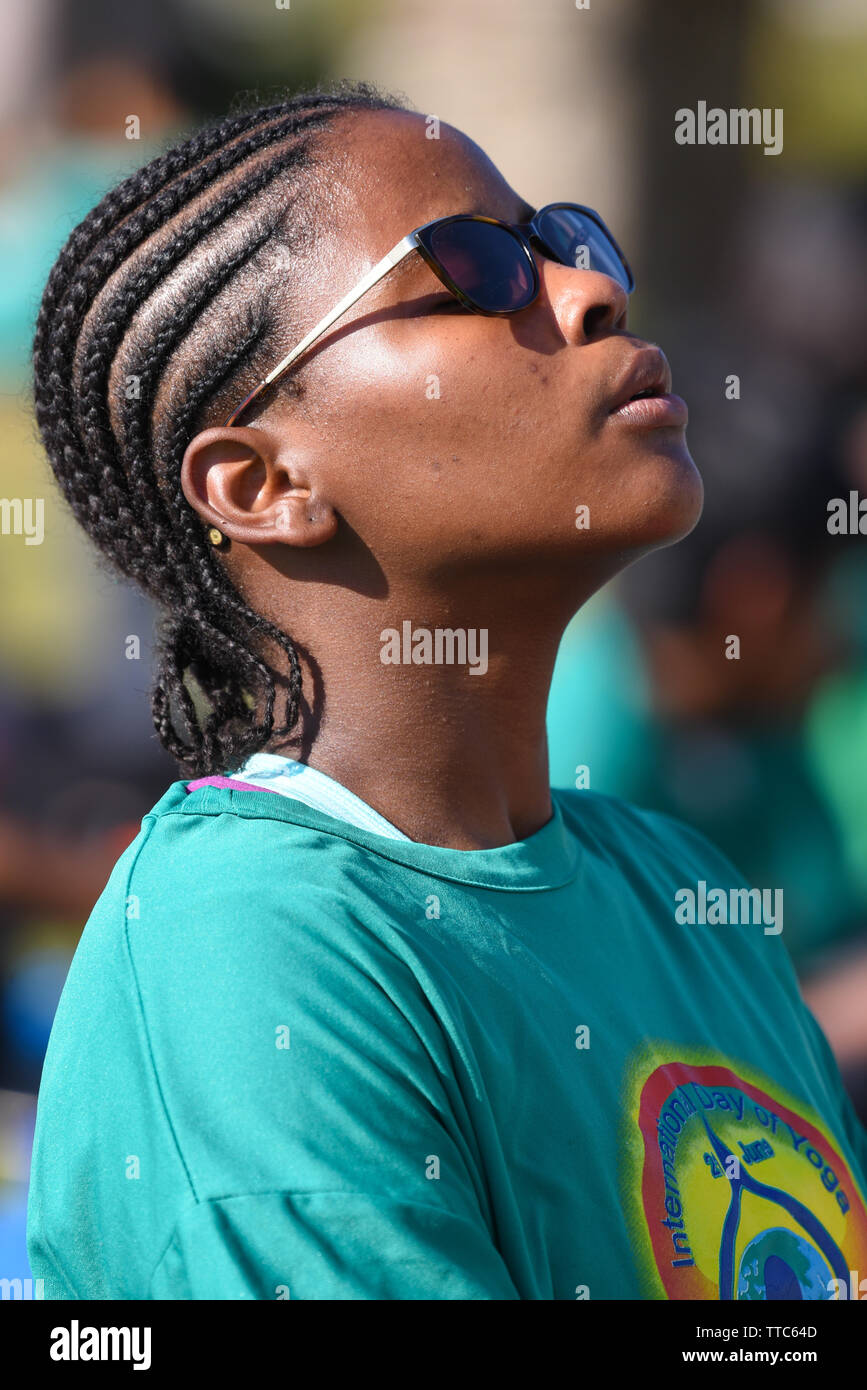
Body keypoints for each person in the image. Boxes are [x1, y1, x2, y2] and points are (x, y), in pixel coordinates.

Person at [26, 82, 867, 1300]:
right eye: (474, 274)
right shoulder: (247, 943)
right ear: (262, 484)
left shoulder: (679, 884)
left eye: (565, 242)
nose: (590, 291)